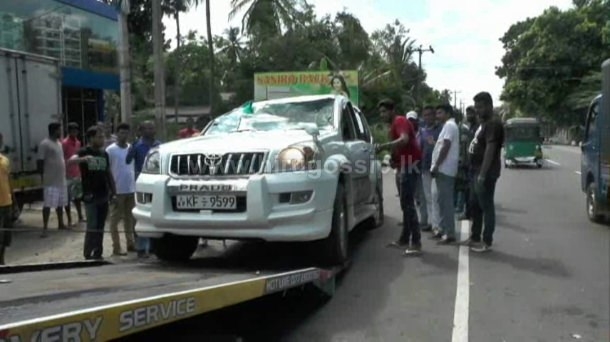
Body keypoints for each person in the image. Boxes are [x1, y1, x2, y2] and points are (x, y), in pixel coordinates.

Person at [376, 99, 422, 255]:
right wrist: (393, 159)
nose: (382, 115)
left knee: (408, 204)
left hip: (411, 165)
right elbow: (398, 148)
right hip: (404, 165)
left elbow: (404, 139)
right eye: (380, 112)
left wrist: (383, 146)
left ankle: (416, 243)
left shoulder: (399, 121)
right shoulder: (393, 126)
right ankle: (404, 238)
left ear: (392, 110)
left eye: (384, 111)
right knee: (405, 203)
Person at [464, 92, 504, 252]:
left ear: (489, 105)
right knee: (474, 205)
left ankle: (486, 241)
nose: (477, 110)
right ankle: (475, 237)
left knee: (486, 206)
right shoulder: (484, 123)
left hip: (485, 172)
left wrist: (482, 174)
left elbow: (490, 148)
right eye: (476, 107)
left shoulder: (493, 124)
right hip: (475, 170)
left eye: (480, 107)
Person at [70, 126, 115, 260]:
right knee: (92, 225)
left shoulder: (104, 153)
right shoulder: (84, 151)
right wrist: (83, 159)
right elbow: (70, 161)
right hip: (90, 195)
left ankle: (98, 253)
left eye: (103, 137)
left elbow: (108, 173)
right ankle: (88, 253)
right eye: (99, 137)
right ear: (91, 138)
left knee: (101, 225)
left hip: (103, 194)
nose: (102, 139)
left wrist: (114, 191)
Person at [126, 120, 161, 258]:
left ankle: (154, 247)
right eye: (147, 128)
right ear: (141, 130)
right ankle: (140, 248)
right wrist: (132, 147)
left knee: (155, 216)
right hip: (142, 184)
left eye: (152, 128)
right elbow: (128, 160)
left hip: (156, 183)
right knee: (142, 216)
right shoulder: (137, 145)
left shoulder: (159, 145)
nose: (150, 131)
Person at [430, 104, 460, 244]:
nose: (437, 116)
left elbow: (446, 146)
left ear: (448, 113)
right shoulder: (449, 126)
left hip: (444, 170)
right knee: (441, 201)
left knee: (446, 203)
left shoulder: (449, 126)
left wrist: (436, 165)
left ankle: (449, 233)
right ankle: (443, 230)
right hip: (444, 170)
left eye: (440, 113)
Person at [106, 123, 137, 256]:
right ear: (117, 134)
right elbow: (107, 170)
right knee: (114, 220)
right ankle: (116, 247)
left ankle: (130, 243)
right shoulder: (110, 150)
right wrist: (110, 190)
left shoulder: (131, 148)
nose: (124, 135)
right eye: (121, 132)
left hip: (131, 189)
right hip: (117, 190)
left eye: (126, 132)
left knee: (130, 219)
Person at [38, 122, 68, 237]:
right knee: (48, 205)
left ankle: (61, 223)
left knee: (60, 204)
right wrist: (43, 177)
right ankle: (45, 228)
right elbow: (40, 162)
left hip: (61, 179)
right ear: (53, 130)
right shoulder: (45, 144)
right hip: (50, 180)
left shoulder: (59, 143)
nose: (60, 132)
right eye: (59, 130)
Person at [417, 106, 442, 232]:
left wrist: (435, 143)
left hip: (438, 168)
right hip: (425, 167)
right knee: (428, 197)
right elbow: (419, 148)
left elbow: (444, 146)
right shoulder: (422, 131)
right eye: (425, 115)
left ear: (434, 116)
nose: (427, 117)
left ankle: (438, 225)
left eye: (429, 115)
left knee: (436, 196)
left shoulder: (440, 129)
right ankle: (433, 224)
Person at [458, 106, 479, 221]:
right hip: (467, 164)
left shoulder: (477, 128)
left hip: (475, 164)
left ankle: (472, 214)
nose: (469, 116)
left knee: (473, 192)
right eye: (468, 113)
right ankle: (468, 213)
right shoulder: (469, 128)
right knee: (466, 190)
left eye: (471, 113)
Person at [62, 122, 84, 226]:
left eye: (76, 131)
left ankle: (80, 216)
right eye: (73, 131)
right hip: (67, 174)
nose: (75, 133)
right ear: (69, 131)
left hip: (77, 173)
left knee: (78, 197)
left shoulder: (78, 143)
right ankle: (69, 219)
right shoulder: (64, 143)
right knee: (67, 198)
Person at [0, 132, 13, 265]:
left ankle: (2, 260)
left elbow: (8, 181)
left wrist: (14, 202)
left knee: (6, 236)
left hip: (6, 203)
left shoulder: (5, 160)